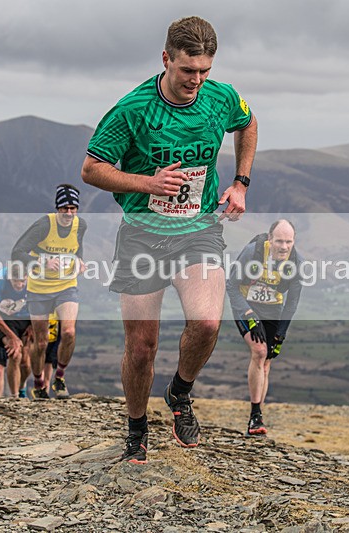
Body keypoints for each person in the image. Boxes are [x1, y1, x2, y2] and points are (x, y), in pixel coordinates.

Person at [81, 15, 257, 464]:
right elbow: (92, 169)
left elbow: (249, 122)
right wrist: (147, 183)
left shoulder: (218, 97)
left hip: (198, 231)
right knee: (142, 347)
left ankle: (179, 392)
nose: (196, 81)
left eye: (204, 71)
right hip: (142, 236)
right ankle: (136, 429)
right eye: (187, 71)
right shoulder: (133, 109)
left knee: (207, 324)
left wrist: (240, 182)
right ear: (166, 59)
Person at [226, 220, 303, 436]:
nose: (284, 247)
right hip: (246, 304)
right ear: (270, 239)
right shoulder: (253, 253)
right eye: (279, 241)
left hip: (272, 309)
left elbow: (292, 304)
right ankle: (255, 414)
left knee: (267, 361)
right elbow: (231, 285)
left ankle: (258, 415)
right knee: (259, 352)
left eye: (288, 242)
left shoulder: (296, 263)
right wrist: (249, 315)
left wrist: (280, 335)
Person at [12, 184, 87, 400]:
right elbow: (17, 252)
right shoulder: (43, 225)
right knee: (42, 341)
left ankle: (59, 377)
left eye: (73, 208)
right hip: (39, 289)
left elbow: (77, 246)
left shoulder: (80, 225)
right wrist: (43, 261)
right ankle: (38, 384)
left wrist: (80, 260)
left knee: (69, 332)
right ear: (57, 208)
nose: (69, 213)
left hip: (66, 285)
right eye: (65, 208)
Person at [0, 266, 30, 398]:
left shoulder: (34, 279)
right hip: (6, 319)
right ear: (9, 277)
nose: (20, 285)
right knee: (15, 355)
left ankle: (22, 387)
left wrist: (33, 326)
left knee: (26, 362)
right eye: (16, 281)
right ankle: (15, 397)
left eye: (22, 281)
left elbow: (42, 305)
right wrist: (12, 337)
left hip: (28, 317)